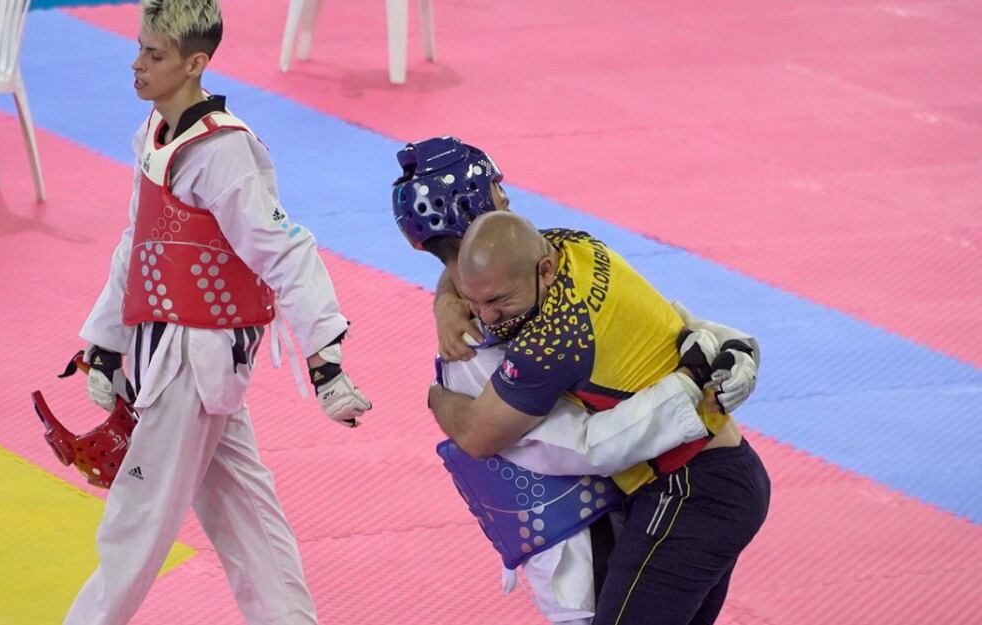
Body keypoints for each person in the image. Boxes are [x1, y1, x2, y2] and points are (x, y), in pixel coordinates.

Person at [64, 2, 371, 623]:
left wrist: (326, 361)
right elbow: (139, 240)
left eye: (155, 55)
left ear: (195, 63)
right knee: (248, 520)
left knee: (137, 522)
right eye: (139, 47)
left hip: (194, 359)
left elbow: (286, 249)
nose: (138, 64)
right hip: (166, 348)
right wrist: (105, 343)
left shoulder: (224, 153)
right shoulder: (154, 131)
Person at [391, 137, 763, 623]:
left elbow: (485, 435)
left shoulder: (547, 333)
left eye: (494, 301)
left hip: (683, 489)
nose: (507, 196)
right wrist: (447, 298)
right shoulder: (569, 243)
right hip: (665, 490)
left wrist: (436, 400)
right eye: (496, 190)